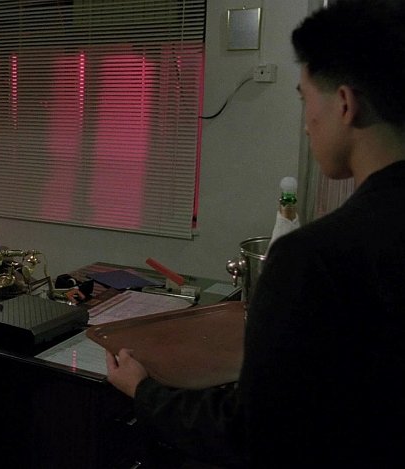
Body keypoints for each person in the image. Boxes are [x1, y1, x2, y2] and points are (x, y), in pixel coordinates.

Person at [105, 1, 405, 467]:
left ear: (345, 104)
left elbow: (251, 431)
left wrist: (144, 390)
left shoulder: (314, 256)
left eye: (305, 99)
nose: (306, 123)